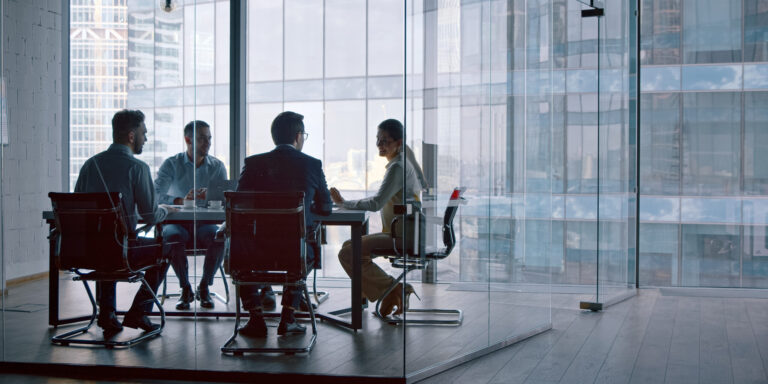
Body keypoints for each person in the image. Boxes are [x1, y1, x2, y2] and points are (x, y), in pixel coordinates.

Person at [74, 109, 176, 335]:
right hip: (121, 252)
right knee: (166, 248)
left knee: (107, 242)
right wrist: (165, 209)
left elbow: (79, 207)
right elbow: (150, 216)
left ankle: (107, 313)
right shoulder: (137, 168)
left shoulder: (90, 165)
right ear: (131, 136)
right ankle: (139, 312)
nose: (145, 139)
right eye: (143, 133)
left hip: (85, 251)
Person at [235, 111, 332, 337]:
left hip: (255, 250)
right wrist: (304, 209)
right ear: (298, 137)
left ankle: (256, 318)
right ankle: (288, 319)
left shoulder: (253, 163)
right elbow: (326, 207)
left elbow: (238, 204)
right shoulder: (312, 165)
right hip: (295, 251)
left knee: (242, 252)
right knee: (299, 249)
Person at [330, 119, 427, 317]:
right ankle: (390, 293)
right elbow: (378, 199)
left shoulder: (398, 167)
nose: (379, 145)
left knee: (348, 253)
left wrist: (344, 203)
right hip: (402, 231)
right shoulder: (401, 164)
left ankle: (393, 289)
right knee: (349, 247)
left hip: (403, 236)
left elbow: (376, 203)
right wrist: (346, 203)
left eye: (385, 141)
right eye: (378, 140)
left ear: (398, 143)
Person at [154, 120, 245, 310]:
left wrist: (213, 199)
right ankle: (185, 287)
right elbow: (156, 195)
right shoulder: (171, 164)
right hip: (177, 223)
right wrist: (180, 200)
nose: (208, 143)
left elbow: (224, 201)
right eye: (202, 138)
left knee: (218, 236)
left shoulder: (217, 166)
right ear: (188, 140)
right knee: (172, 236)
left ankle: (204, 285)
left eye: (209, 138)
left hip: (205, 224)